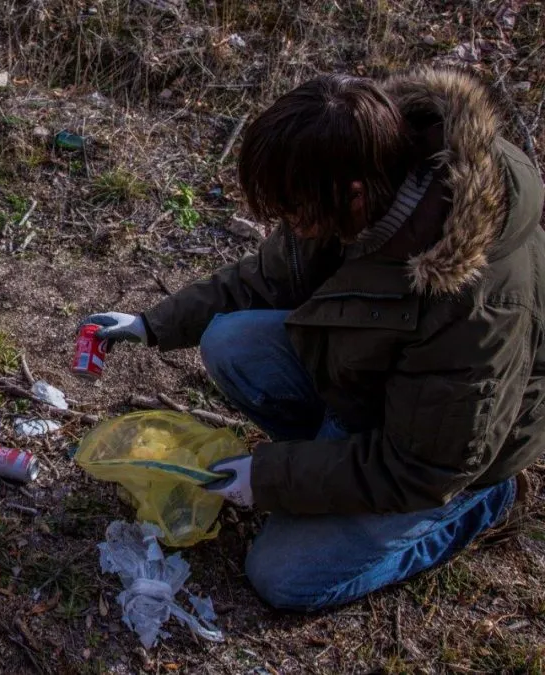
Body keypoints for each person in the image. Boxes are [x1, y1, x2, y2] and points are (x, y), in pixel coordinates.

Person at [84, 67, 544, 612]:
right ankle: (330, 468)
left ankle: (479, 507)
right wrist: (152, 323)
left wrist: (269, 477)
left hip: (445, 459)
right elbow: (267, 276)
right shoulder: (358, 171)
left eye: (292, 212)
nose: (287, 223)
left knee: (283, 576)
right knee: (230, 339)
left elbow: (422, 467)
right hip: (377, 396)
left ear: (351, 197)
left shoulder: (475, 301)